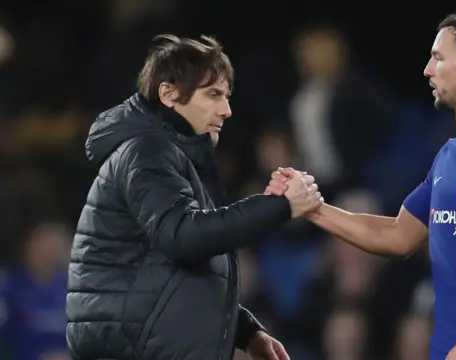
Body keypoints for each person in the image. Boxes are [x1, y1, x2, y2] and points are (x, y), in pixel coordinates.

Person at [267, 10, 456, 360]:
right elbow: (397, 235)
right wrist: (313, 208)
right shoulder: (450, 155)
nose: (427, 70)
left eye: (438, 58)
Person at [66, 34, 322, 360]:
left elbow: (173, 271)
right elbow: (184, 237)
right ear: (169, 94)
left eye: (227, 96)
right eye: (213, 94)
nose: (227, 109)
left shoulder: (170, 154)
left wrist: (243, 330)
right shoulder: (146, 151)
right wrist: (280, 206)